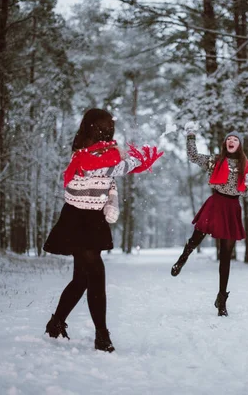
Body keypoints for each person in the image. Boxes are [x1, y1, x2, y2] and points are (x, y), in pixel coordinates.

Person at [43, 108, 162, 352]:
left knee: (81, 279)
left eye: (111, 123)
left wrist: (136, 163)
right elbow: (109, 168)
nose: (110, 127)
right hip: (77, 219)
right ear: (94, 127)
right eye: (106, 124)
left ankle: (55, 323)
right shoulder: (85, 153)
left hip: (93, 219)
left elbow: (113, 168)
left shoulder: (105, 152)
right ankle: (102, 335)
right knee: (96, 274)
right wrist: (137, 163)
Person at [171, 129, 248, 317]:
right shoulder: (215, 161)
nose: (231, 141)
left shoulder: (247, 166)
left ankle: (221, 300)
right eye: (229, 139)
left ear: (240, 145)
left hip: (232, 207)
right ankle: (183, 258)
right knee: (196, 238)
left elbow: (245, 192)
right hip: (216, 204)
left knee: (226, 256)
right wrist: (191, 135)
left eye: (235, 139)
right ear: (225, 143)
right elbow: (193, 156)